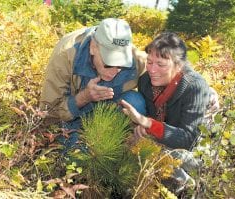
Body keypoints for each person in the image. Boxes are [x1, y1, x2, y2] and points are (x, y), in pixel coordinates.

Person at [120, 32, 219, 193]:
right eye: (149, 62)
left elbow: (188, 140)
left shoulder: (194, 87)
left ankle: (186, 189)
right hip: (166, 140)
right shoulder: (145, 81)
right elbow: (154, 120)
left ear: (178, 65)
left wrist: (147, 123)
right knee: (133, 146)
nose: (152, 69)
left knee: (156, 155)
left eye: (160, 64)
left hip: (195, 151)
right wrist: (144, 128)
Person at [40, 18, 147, 151]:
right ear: (93, 47)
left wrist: (149, 125)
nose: (115, 71)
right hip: (71, 119)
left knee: (135, 102)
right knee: (78, 156)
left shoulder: (136, 59)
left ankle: (115, 146)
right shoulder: (65, 55)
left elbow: (168, 71)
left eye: (121, 65)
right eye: (109, 63)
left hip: (108, 113)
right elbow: (48, 112)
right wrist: (84, 97)